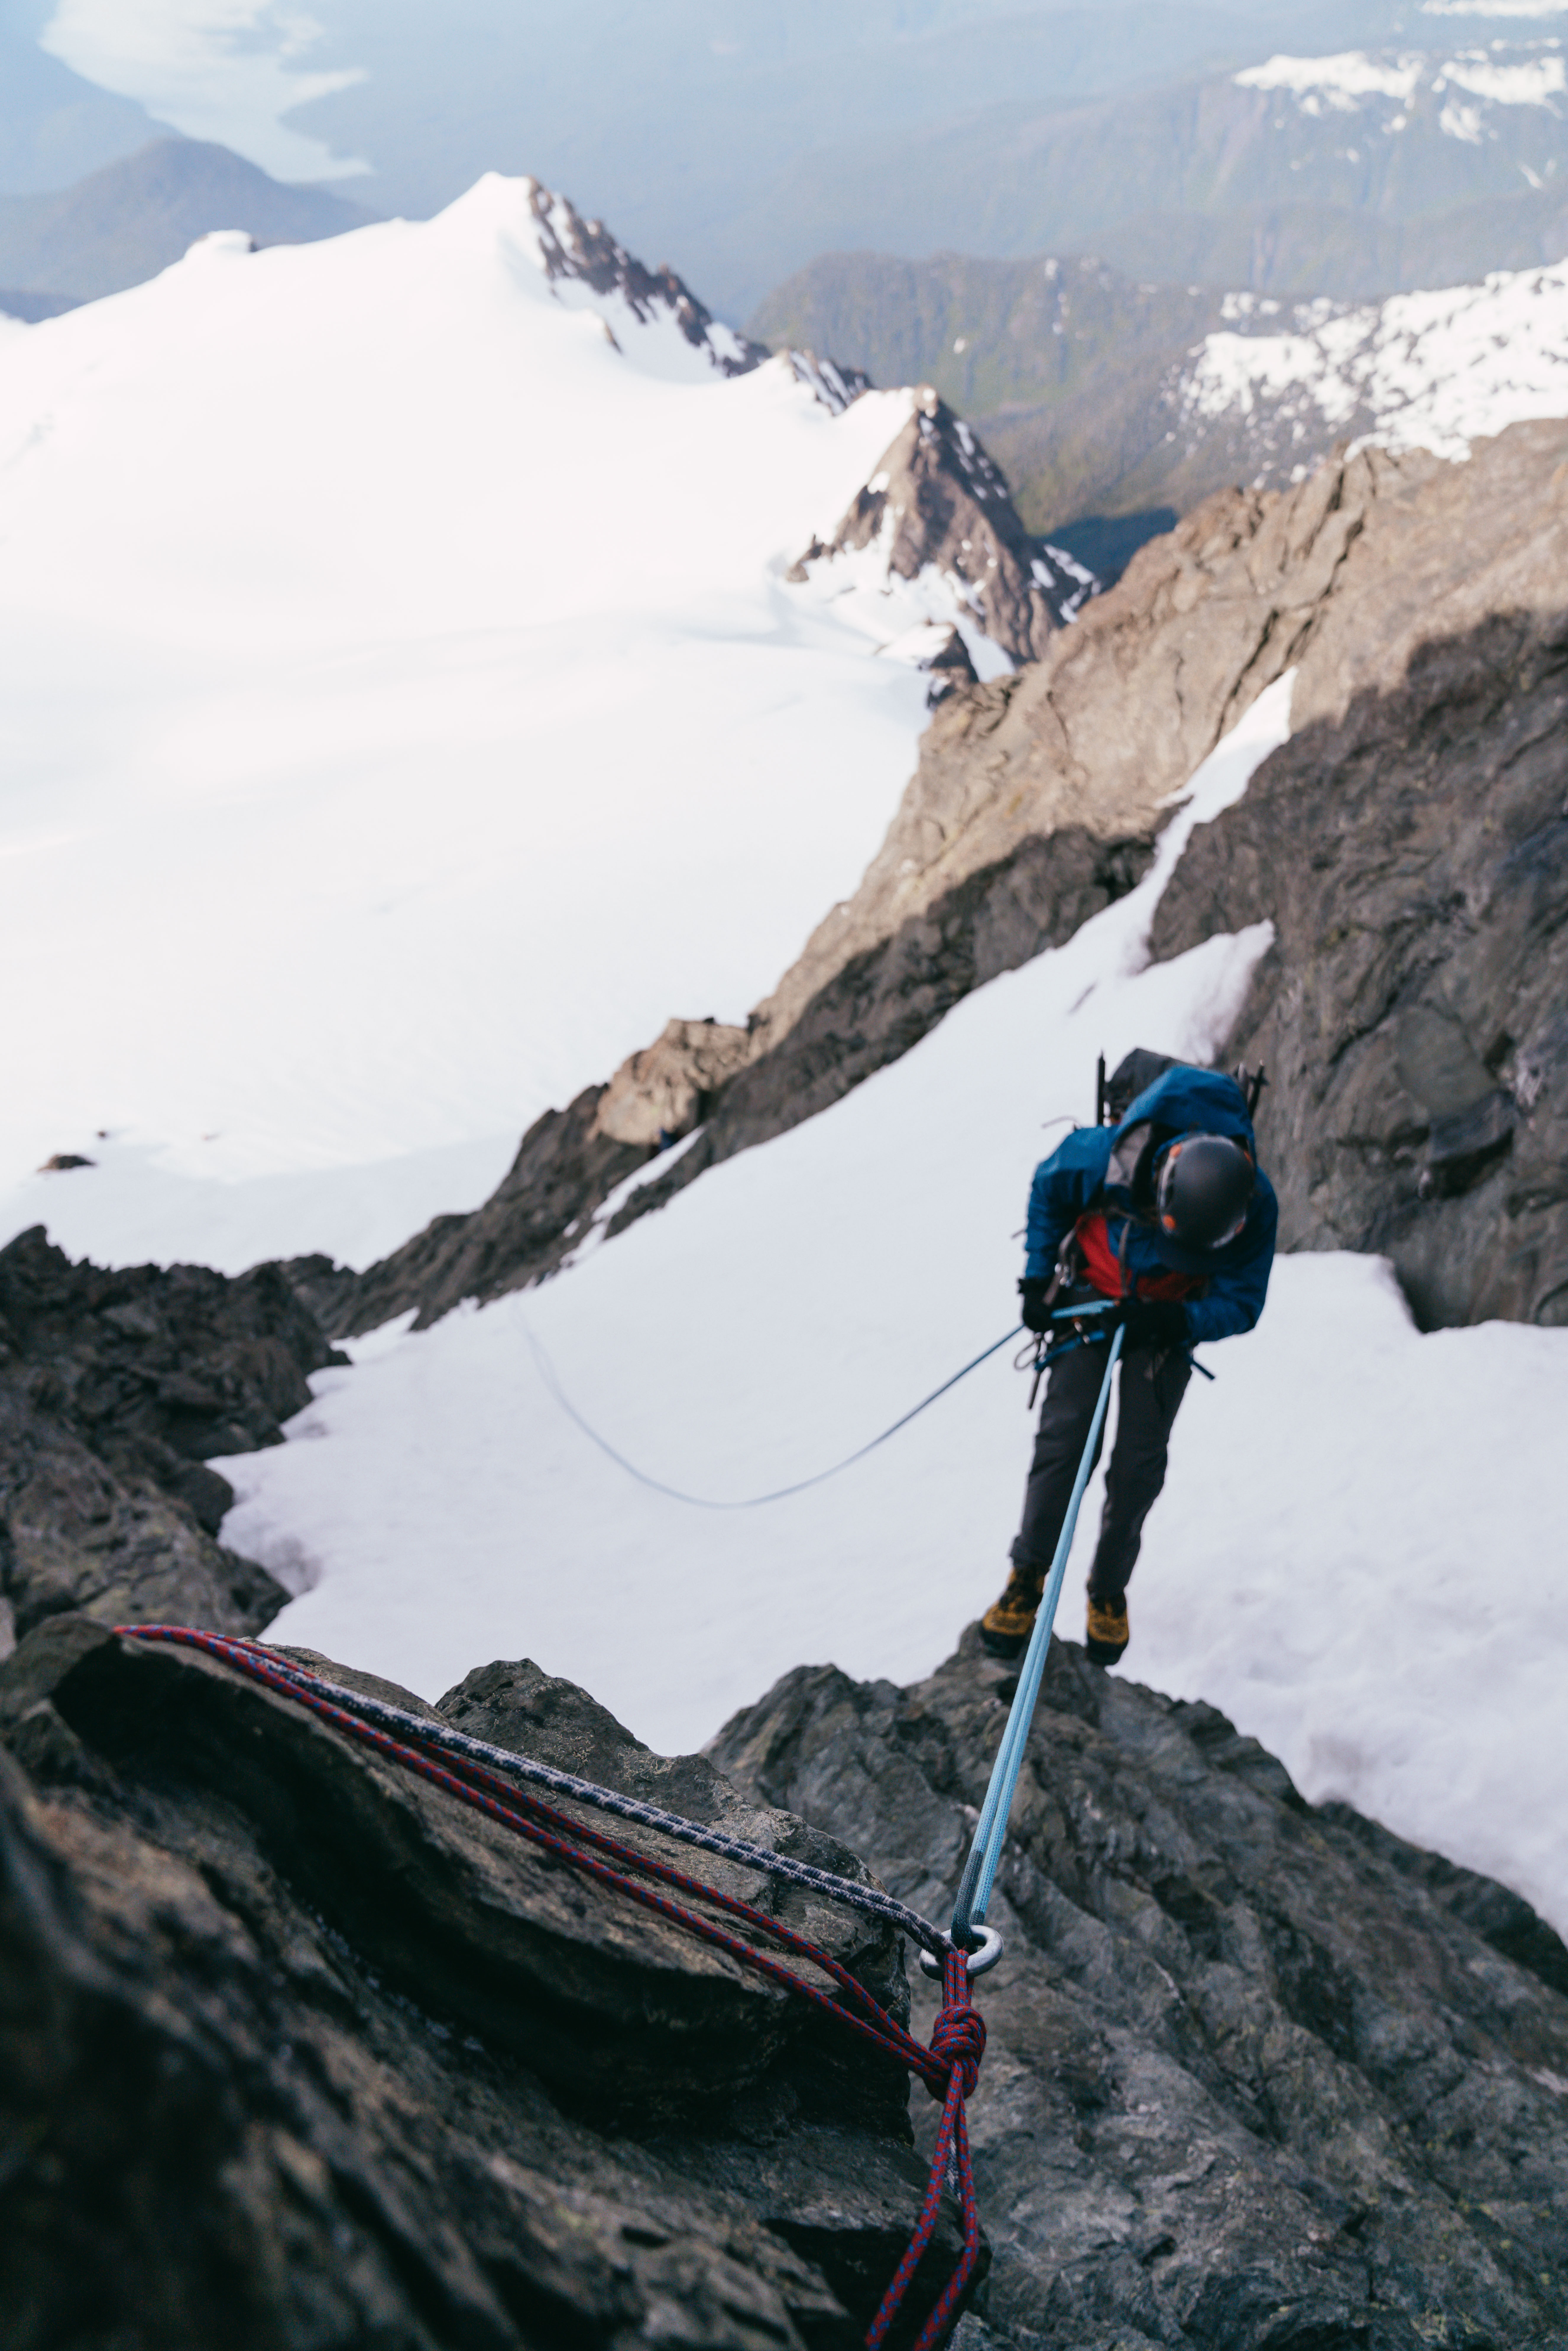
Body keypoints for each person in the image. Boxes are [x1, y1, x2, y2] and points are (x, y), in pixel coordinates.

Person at [980, 1055, 1277, 1669]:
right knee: (1066, 1443)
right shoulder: (1106, 1154)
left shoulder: (1254, 1205)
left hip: (1168, 1320)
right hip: (1091, 1299)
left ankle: (1107, 1589)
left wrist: (1179, 1321)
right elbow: (1048, 1186)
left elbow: (1243, 1302)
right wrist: (1039, 1282)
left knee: (1139, 1466)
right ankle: (1029, 1574)